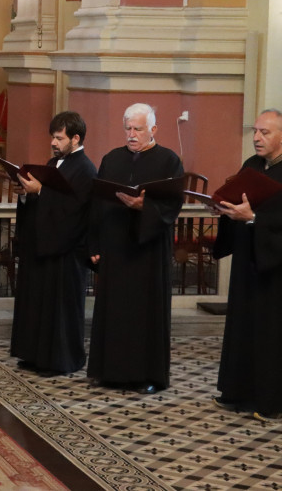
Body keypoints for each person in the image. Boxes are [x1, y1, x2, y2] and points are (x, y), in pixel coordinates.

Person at [213, 109, 282, 421]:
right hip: (250, 266)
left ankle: (279, 401)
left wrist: (255, 220)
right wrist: (228, 211)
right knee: (245, 329)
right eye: (255, 131)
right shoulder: (252, 166)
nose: (257, 138)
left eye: (265, 133)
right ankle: (239, 392)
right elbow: (241, 204)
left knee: (277, 336)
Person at [87, 103, 183, 394]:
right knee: (114, 311)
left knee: (146, 314)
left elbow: (173, 205)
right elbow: (97, 203)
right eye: (127, 128)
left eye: (137, 129)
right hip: (116, 247)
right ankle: (110, 371)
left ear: (153, 129)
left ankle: (148, 375)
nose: (131, 134)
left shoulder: (168, 161)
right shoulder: (111, 158)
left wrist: (146, 207)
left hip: (148, 252)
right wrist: (94, 243)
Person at [10, 111, 97, 376]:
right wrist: (27, 196)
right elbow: (47, 201)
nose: (53, 143)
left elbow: (75, 210)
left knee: (60, 310)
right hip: (44, 245)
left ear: (76, 138)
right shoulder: (53, 162)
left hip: (66, 251)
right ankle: (35, 355)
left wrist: (42, 192)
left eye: (59, 138)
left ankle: (60, 360)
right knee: (38, 304)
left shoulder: (85, 169)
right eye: (53, 138)